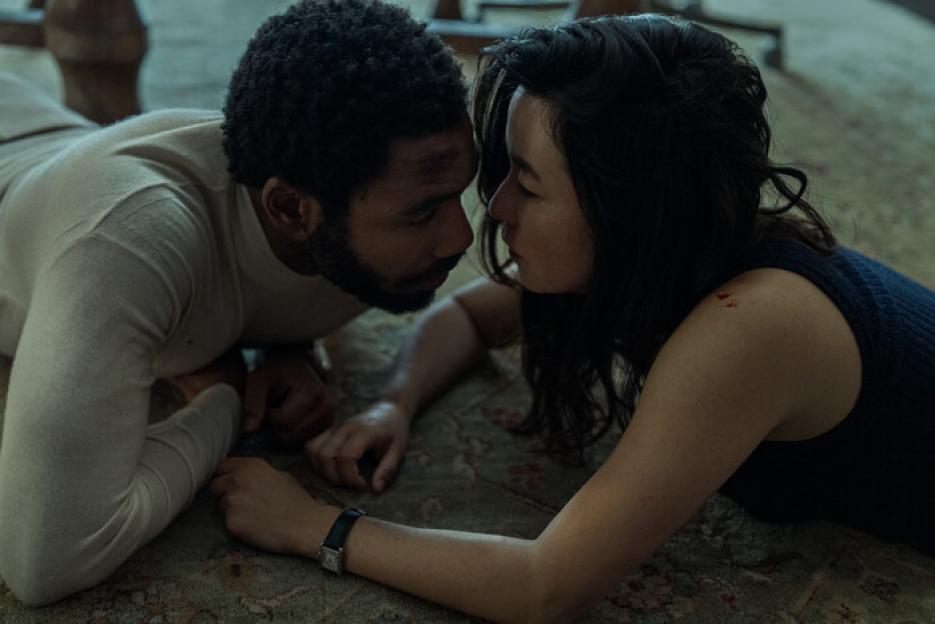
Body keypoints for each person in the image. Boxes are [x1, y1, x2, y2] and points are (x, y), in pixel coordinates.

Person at [210, 12, 935, 624]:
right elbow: (468, 318)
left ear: (627, 206)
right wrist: (391, 401)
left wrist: (315, 528)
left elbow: (544, 584)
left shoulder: (750, 326)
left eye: (525, 183)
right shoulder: (664, 245)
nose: (491, 212)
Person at [0, 0, 476, 606]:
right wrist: (225, 399)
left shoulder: (332, 203)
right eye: (422, 212)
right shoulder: (126, 239)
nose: (460, 239)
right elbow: (46, 559)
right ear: (290, 210)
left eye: (459, 194)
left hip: (38, 123)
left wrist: (291, 348)